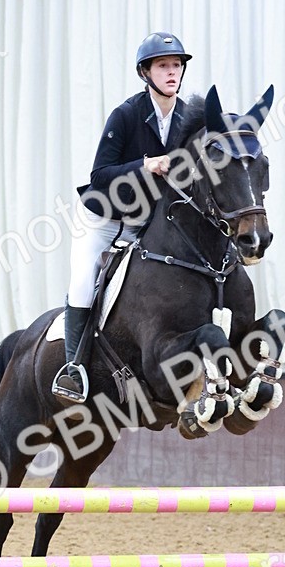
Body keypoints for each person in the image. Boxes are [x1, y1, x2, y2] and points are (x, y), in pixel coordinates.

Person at [52, 32, 192, 401]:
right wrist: (146, 165)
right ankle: (73, 369)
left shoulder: (185, 118)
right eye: (163, 65)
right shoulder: (127, 114)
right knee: (84, 281)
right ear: (145, 72)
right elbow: (100, 175)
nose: (172, 72)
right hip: (102, 221)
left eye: (176, 65)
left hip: (140, 225)